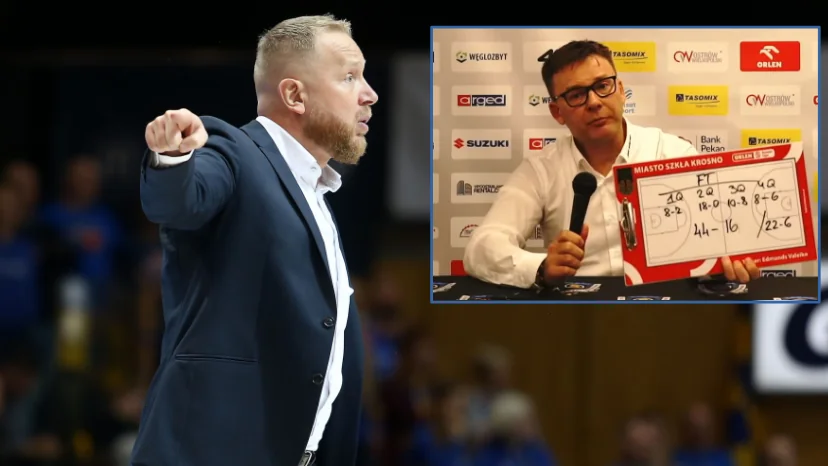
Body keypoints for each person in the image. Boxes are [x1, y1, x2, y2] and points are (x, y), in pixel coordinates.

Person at [132, 14, 378, 466]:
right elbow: (179, 203)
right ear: (294, 95)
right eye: (349, 77)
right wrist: (174, 156)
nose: (369, 94)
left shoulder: (316, 194)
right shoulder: (234, 152)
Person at [463, 40, 760, 290]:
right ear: (557, 112)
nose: (594, 102)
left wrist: (725, 266)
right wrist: (541, 268)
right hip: (580, 318)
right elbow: (481, 247)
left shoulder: (672, 153)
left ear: (620, 90)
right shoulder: (541, 170)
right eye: (576, 95)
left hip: (667, 309)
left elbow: (720, 241)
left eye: (602, 86)